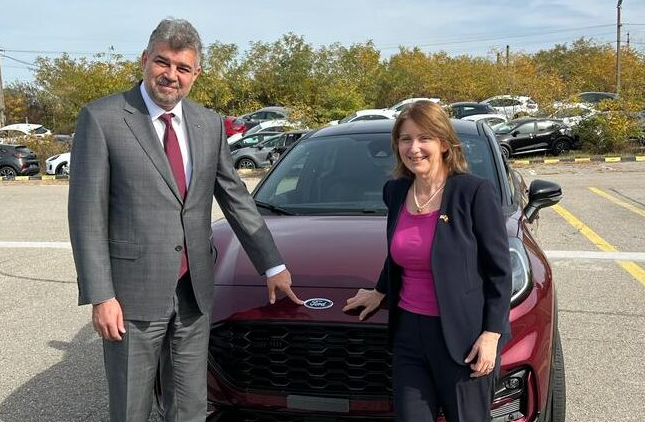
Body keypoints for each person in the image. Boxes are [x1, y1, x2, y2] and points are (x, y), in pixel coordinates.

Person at [68, 18, 303, 422]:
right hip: (130, 298)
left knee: (190, 407)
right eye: (163, 62)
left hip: (193, 293)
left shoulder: (208, 124)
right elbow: (86, 216)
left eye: (182, 68)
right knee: (131, 409)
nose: (170, 75)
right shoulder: (103, 118)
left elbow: (236, 199)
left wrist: (272, 263)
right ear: (144, 59)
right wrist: (101, 296)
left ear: (196, 73)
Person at [343, 101, 511, 422]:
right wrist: (380, 291)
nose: (414, 148)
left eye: (424, 139)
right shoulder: (396, 192)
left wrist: (492, 334)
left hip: (463, 340)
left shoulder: (473, 193)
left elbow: (500, 272)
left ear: (444, 144)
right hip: (408, 336)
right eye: (405, 139)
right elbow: (401, 253)